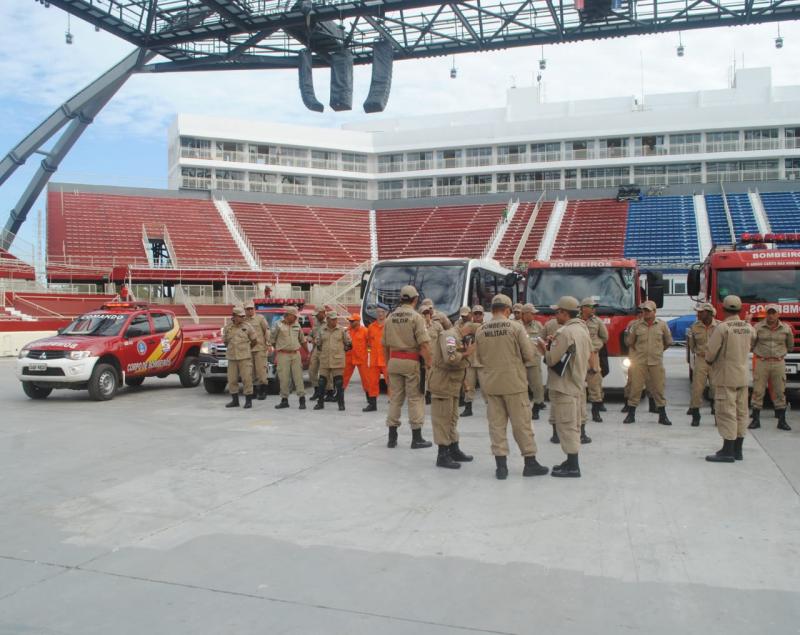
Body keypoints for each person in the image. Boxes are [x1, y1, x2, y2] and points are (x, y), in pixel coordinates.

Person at [475, 293, 548, 480]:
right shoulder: (516, 327)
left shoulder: (481, 330)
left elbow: (480, 358)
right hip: (514, 383)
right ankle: (530, 463)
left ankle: (501, 467)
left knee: (496, 426)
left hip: (491, 384)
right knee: (522, 424)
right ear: (507, 310)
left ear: (492, 310)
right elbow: (529, 355)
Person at [537, 296, 591, 477]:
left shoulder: (565, 332)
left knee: (566, 426)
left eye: (557, 312)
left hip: (564, 386)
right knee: (573, 424)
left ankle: (573, 466)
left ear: (564, 313)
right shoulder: (582, 330)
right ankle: (570, 461)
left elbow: (552, 359)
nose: (555, 315)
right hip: (576, 385)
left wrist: (544, 348)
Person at [705, 295, 756, 462]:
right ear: (740, 309)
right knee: (742, 413)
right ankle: (738, 450)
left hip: (726, 377)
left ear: (723, 309)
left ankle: (727, 451)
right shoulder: (748, 328)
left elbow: (710, 353)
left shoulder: (723, 328)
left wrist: (711, 361)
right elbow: (754, 343)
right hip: (742, 376)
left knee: (726, 412)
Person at [382, 285, 433, 449]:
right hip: (411, 362)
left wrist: (387, 365)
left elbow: (384, 346)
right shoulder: (416, 317)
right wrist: (429, 364)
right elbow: (424, 344)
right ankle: (416, 438)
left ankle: (392, 438)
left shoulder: (390, 318)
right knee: (415, 399)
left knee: (395, 398)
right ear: (415, 299)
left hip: (394, 361)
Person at [429, 321, 476, 469]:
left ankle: (453, 449)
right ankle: (442, 455)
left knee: (452, 418)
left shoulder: (457, 337)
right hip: (443, 384)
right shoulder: (449, 336)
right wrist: (467, 352)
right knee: (443, 419)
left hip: (452, 385)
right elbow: (450, 358)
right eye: (472, 337)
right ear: (468, 331)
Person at [623, 300, 673, 425]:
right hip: (640, 362)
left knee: (658, 389)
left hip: (656, 362)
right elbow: (630, 342)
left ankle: (662, 415)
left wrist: (658, 351)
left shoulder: (662, 325)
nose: (645, 313)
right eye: (644, 310)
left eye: (648, 311)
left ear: (654, 312)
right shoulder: (636, 326)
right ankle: (631, 414)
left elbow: (668, 342)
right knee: (635, 388)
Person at [750, 305, 794, 431]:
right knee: (758, 390)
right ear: (766, 314)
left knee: (780, 391)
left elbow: (790, 346)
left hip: (778, 362)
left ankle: (782, 421)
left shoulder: (786, 328)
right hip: (762, 362)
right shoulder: (757, 327)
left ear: (778, 314)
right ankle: (756, 420)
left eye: (773, 313)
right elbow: (752, 344)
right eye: (769, 313)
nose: (771, 315)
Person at [686, 303, 719, 426]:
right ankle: (695, 415)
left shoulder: (720, 326)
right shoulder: (694, 327)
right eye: (698, 312)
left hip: (716, 361)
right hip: (701, 360)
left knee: (716, 389)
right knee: (697, 388)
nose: (698, 314)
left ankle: (717, 415)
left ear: (709, 313)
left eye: (701, 312)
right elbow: (692, 346)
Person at [270, 305, 307, 410]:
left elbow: (302, 339)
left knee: (298, 377)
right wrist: (280, 349)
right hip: (283, 355)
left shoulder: (297, 325)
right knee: (284, 378)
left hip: (296, 354)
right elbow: (272, 339)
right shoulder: (278, 325)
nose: (296, 318)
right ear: (289, 315)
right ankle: (284, 400)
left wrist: (308, 352)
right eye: (294, 316)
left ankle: (302, 400)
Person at [313, 311, 351, 411]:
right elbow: (319, 344)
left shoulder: (342, 330)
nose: (335, 321)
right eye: (332, 319)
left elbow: (348, 343)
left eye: (336, 319)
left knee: (338, 383)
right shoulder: (322, 330)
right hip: (325, 359)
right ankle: (320, 403)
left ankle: (341, 404)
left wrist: (341, 351)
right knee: (321, 382)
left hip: (337, 360)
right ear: (328, 320)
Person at [580, 297, 609, 426]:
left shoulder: (597, 322)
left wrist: (596, 346)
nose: (593, 309)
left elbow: (605, 337)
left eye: (594, 307)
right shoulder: (575, 321)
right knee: (577, 383)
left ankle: (596, 412)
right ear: (583, 308)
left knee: (595, 384)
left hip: (592, 356)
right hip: (578, 356)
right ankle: (578, 412)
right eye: (591, 307)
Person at [223, 306, 257, 409]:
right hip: (232, 357)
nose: (242, 318)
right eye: (240, 316)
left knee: (247, 379)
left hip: (244, 357)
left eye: (243, 316)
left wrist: (246, 349)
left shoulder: (248, 327)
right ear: (234, 316)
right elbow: (225, 341)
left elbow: (254, 341)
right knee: (232, 379)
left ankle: (248, 401)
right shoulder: (228, 328)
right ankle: (235, 400)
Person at [520, 304, 545, 419]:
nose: (534, 315)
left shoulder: (538, 326)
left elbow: (543, 341)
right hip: (519, 362)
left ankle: (536, 408)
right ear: (525, 314)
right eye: (532, 313)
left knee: (537, 386)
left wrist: (540, 352)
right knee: (520, 387)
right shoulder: (516, 326)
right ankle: (521, 409)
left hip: (534, 361)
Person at [460, 304, 484, 417]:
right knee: (469, 387)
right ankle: (468, 407)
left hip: (482, 362)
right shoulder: (467, 326)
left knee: (486, 387)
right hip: (470, 362)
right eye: (476, 313)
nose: (478, 316)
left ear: (483, 315)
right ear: (472, 315)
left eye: (480, 313)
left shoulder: (486, 326)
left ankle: (492, 408)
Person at [343, 313, 370, 409]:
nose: (350, 322)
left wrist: (367, 352)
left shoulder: (365, 331)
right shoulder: (347, 331)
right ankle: (339, 396)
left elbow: (370, 344)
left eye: (352, 321)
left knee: (366, 380)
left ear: (358, 321)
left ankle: (370, 400)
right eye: (349, 320)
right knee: (344, 378)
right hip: (349, 357)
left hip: (361, 359)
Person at [364, 306, 389, 412]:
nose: (380, 314)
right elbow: (368, 343)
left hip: (386, 359)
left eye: (382, 312)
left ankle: (394, 403)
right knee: (372, 382)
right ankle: (372, 404)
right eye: (378, 312)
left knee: (391, 382)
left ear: (386, 313)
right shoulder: (371, 327)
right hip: (374, 359)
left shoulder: (389, 327)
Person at [245, 301, 270, 400]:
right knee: (251, 371)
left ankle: (263, 391)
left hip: (259, 348)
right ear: (245, 310)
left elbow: (267, 330)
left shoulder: (260, 318)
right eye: (248, 309)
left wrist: (267, 343)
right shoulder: (244, 320)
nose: (250, 310)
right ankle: (254, 391)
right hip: (248, 349)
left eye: (251, 308)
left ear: (254, 309)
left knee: (261, 371)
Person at [308, 305, 328, 400]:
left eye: (317, 314)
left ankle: (327, 391)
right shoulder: (316, 323)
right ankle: (316, 390)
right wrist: (310, 339)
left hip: (326, 349)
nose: (316, 316)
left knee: (325, 371)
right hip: (316, 349)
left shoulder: (329, 322)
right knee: (312, 370)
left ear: (323, 313)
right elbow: (310, 335)